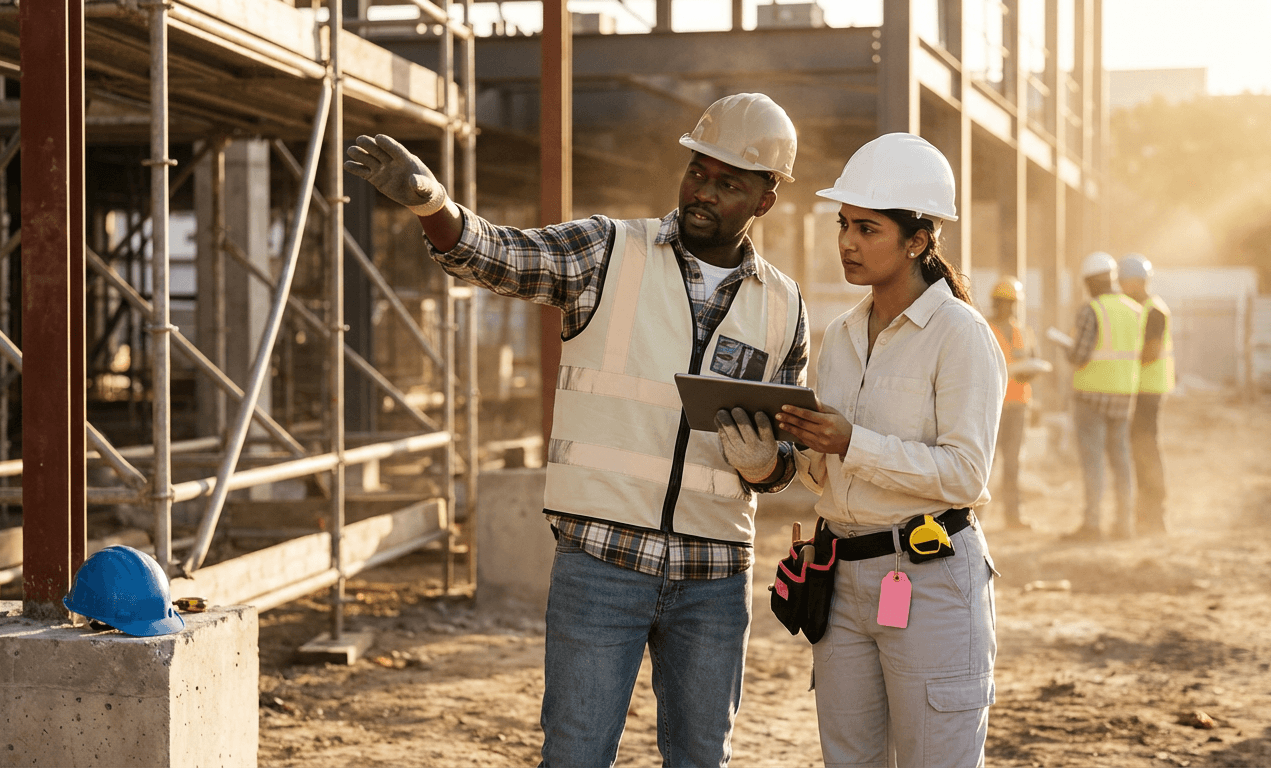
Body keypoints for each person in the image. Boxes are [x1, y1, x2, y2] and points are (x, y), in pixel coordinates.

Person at [345, 93, 809, 767]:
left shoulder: (785, 305)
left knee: (704, 757)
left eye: (729, 183)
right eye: (698, 173)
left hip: (713, 577)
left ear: (765, 201)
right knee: (576, 755)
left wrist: (770, 466)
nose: (704, 192)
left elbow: (790, 446)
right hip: (602, 564)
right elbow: (498, 255)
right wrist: (433, 207)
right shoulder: (609, 250)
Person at [775, 133, 1005, 768]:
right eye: (844, 224)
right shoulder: (842, 335)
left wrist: (853, 441)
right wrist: (788, 447)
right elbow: (832, 475)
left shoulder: (961, 336)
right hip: (841, 578)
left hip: (929, 578)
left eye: (868, 228)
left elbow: (965, 475)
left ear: (918, 240)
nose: (847, 242)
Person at [1063, 252, 1144, 541]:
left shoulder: (1091, 310)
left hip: (1092, 395)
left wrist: (1067, 348)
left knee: (1094, 462)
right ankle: (1124, 524)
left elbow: (1080, 356)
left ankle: (1093, 524)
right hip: (1124, 394)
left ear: (1089, 282)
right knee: (1121, 460)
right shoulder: (1134, 309)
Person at [1119, 253, 1173, 533]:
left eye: (1124, 281)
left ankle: (1155, 512)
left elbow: (1150, 353)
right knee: (1140, 450)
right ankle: (1146, 512)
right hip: (1139, 390)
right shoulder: (1140, 308)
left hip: (1148, 391)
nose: (1120, 287)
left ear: (1136, 282)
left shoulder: (1153, 310)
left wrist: (1122, 362)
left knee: (1145, 449)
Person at [987, 276, 1038, 530]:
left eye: (1012, 303)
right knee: (986, 462)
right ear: (996, 303)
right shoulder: (983, 329)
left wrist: (1030, 371)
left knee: (1013, 462)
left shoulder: (1023, 331)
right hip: (992, 406)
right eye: (1005, 302)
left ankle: (1013, 516)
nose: (1009, 307)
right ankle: (977, 516)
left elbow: (1032, 360)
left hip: (1018, 404)